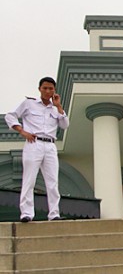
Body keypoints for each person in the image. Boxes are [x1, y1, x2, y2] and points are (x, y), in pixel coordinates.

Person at [5, 77, 69, 222]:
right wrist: (22, 131)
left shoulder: (55, 109)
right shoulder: (29, 103)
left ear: (54, 90)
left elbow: (65, 125)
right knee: (29, 180)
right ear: (39, 89)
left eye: (51, 88)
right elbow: (10, 116)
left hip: (50, 145)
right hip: (34, 143)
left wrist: (59, 106)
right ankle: (26, 213)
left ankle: (54, 214)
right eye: (45, 88)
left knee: (52, 181)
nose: (47, 91)